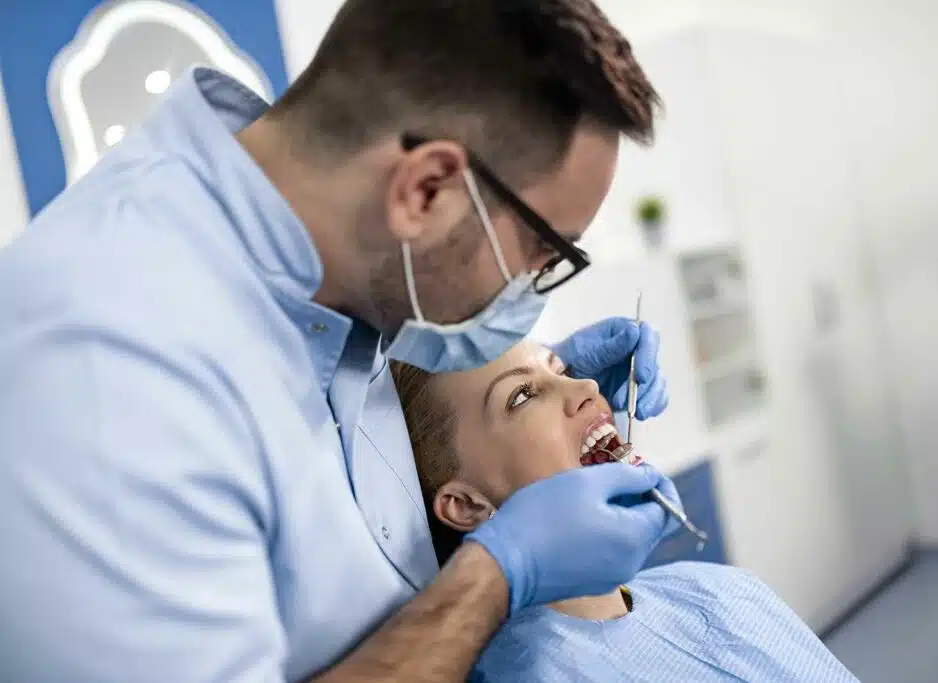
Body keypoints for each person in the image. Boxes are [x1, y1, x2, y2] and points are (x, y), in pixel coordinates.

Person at [0, 2, 680, 682]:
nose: (536, 284)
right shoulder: (103, 373)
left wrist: (532, 375)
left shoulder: (316, 246)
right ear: (425, 190)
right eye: (543, 249)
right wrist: (501, 572)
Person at [390, 340, 861, 683]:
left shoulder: (724, 588)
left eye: (559, 367)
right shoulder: (528, 674)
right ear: (468, 505)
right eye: (522, 396)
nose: (587, 386)